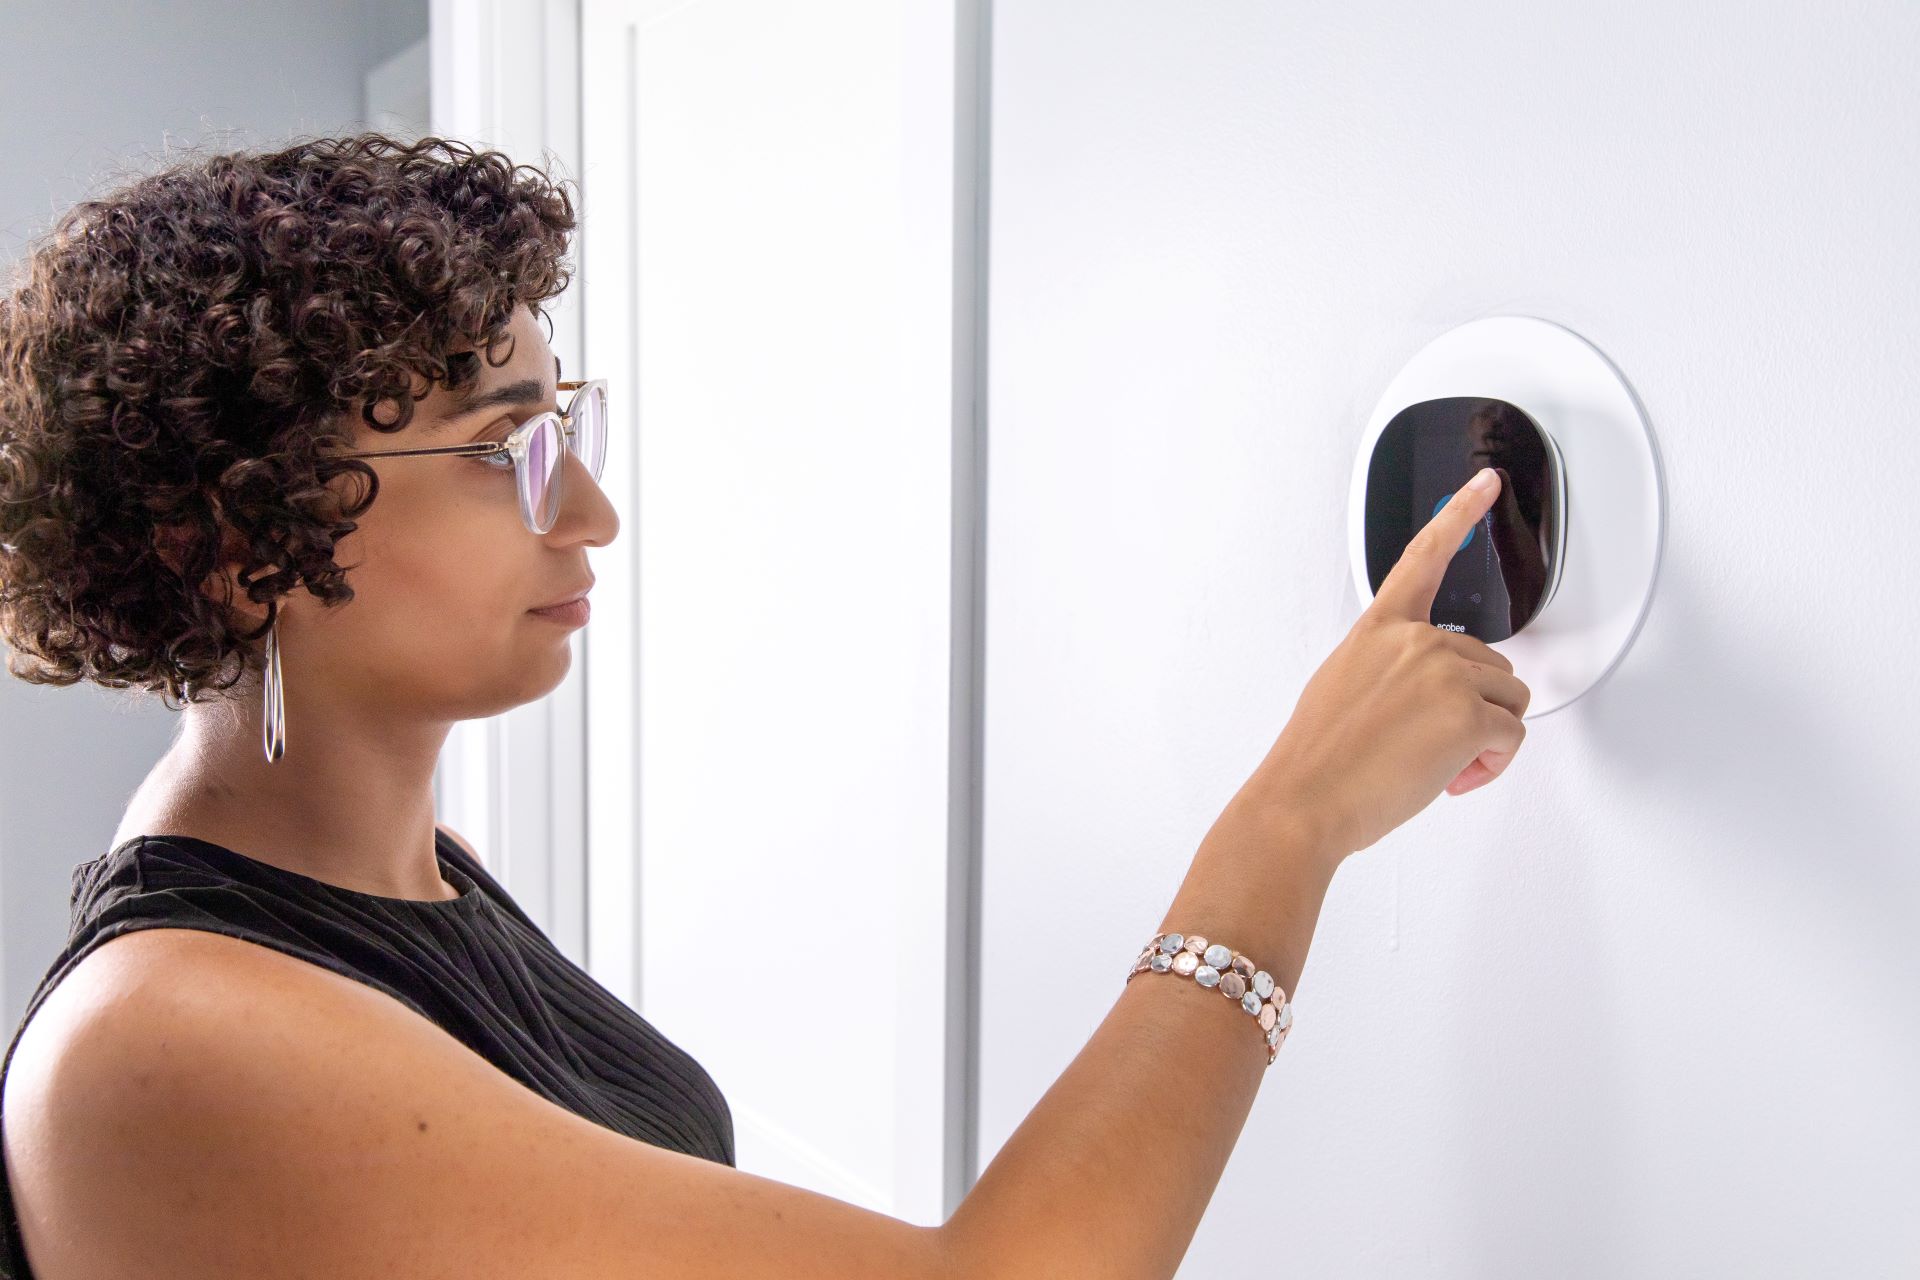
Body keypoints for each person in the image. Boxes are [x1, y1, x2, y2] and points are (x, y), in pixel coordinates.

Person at [0, 132, 1527, 1279]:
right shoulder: (167, 1039)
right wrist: (1292, 822)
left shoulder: (408, 880)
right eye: (500, 445)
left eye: (563, 423)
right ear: (235, 538)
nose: (586, 509)